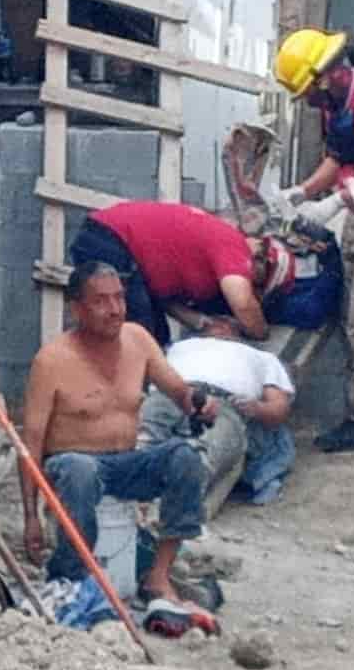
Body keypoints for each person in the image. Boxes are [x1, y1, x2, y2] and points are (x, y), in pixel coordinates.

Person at [21, 260, 220, 617]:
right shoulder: (51, 361)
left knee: (185, 457)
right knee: (80, 470)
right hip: (72, 465)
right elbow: (31, 443)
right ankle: (73, 579)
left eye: (119, 298)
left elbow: (178, 391)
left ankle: (159, 576)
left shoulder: (137, 340)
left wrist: (198, 403)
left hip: (127, 463)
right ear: (77, 309)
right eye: (101, 301)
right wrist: (30, 517)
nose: (114, 309)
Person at [274, 35, 354, 453]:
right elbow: (339, 156)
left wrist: (335, 202)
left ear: (326, 75)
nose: (307, 101)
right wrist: (302, 192)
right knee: (352, 315)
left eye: (307, 91)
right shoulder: (337, 104)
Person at [67, 200, 281, 346]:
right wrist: (261, 336)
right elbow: (243, 304)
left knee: (157, 339)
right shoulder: (235, 246)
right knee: (140, 335)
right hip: (110, 239)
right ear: (261, 258)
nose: (255, 291)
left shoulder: (204, 258)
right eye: (258, 286)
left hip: (109, 238)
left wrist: (204, 324)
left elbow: (165, 300)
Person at [136, 332, 297, 506]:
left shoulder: (264, 358)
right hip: (171, 392)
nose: (222, 323)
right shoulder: (176, 346)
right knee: (144, 434)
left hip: (227, 403)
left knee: (205, 454)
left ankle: (168, 498)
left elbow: (279, 408)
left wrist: (257, 408)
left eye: (229, 321)